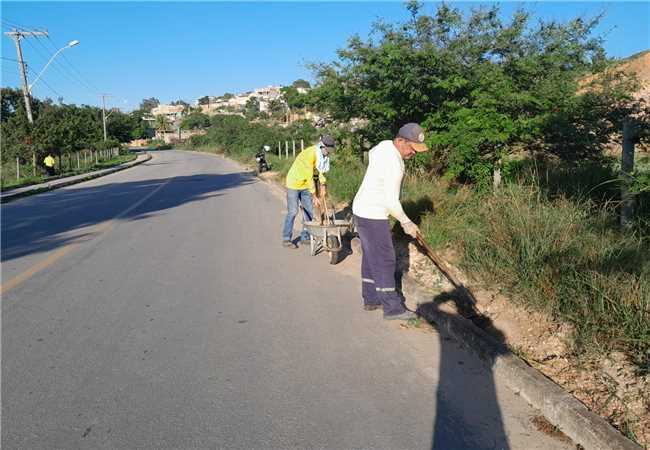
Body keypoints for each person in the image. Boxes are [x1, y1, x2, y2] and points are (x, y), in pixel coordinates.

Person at [352, 123, 428, 320]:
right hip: (373, 213)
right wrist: (406, 222)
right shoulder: (394, 165)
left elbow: (372, 152)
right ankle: (392, 308)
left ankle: (371, 298)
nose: (414, 153)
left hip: (361, 209)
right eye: (412, 148)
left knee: (370, 256)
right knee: (385, 259)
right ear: (400, 141)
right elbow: (391, 201)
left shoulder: (384, 147)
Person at [282, 135, 336, 248]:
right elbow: (309, 175)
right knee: (293, 211)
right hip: (294, 183)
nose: (329, 153)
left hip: (306, 185)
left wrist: (323, 184)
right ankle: (286, 238)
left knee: (309, 212)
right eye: (328, 150)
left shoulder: (321, 156)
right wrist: (314, 195)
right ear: (323, 146)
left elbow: (319, 172)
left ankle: (305, 236)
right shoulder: (311, 154)